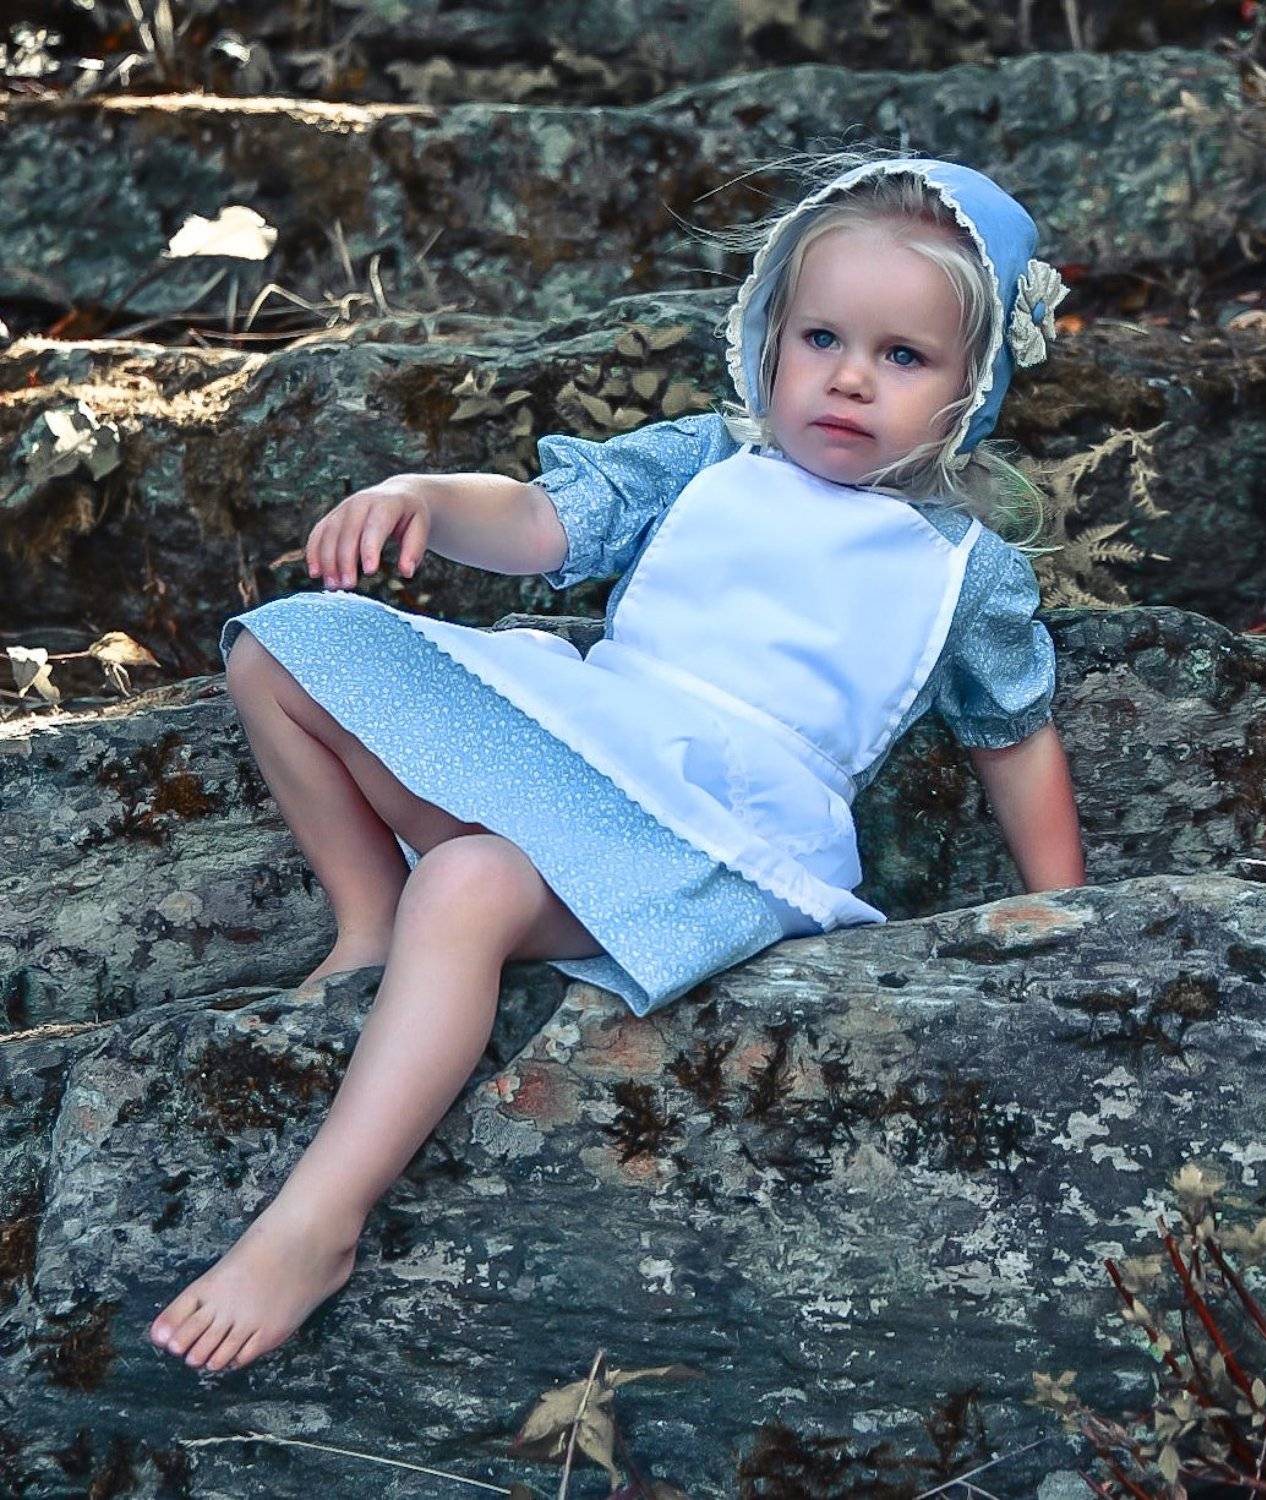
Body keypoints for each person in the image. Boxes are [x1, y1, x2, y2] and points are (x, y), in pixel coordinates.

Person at [147, 148, 1086, 1373]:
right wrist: (426, 494)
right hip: (590, 730)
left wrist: (1064, 918)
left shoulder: (963, 569)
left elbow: (1013, 737)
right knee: (284, 647)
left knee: (469, 883)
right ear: (769, 335)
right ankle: (367, 924)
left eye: (903, 357)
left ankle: (315, 1224)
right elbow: (544, 525)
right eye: (820, 338)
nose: (850, 377)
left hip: (718, 826)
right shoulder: (705, 463)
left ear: (972, 386)